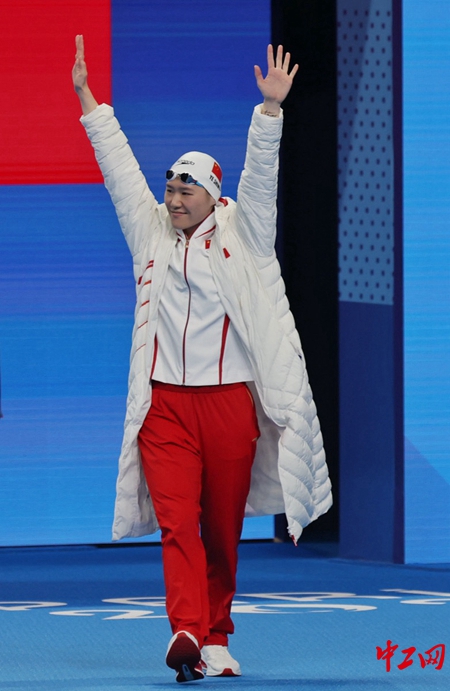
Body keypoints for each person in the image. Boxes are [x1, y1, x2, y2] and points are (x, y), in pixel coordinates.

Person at [72, 36, 332, 684]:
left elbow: (261, 178)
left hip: (229, 405)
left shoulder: (247, 236)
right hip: (163, 407)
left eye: (186, 188)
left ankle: (215, 634)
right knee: (177, 523)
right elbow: (119, 170)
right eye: (170, 187)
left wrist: (270, 111)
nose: (173, 197)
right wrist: (88, 101)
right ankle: (186, 628)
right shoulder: (150, 233)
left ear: (213, 195)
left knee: (219, 530)